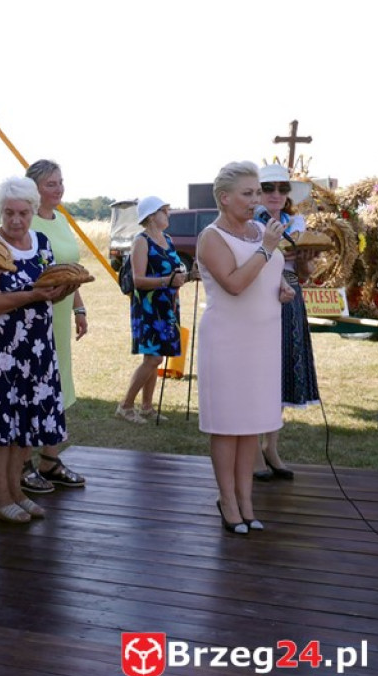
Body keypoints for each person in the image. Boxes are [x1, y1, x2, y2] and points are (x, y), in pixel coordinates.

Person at [0, 177, 78, 523]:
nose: (16, 220)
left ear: (34, 211)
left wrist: (64, 289)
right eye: (9, 212)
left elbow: (47, 291)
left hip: (36, 349)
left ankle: (16, 491)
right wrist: (33, 295)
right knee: (3, 427)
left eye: (24, 213)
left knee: (26, 425)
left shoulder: (41, 242)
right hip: (1, 353)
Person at [196, 161, 294, 534]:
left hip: (262, 340)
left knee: (250, 424)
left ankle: (248, 502)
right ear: (224, 198)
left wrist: (280, 290)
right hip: (227, 341)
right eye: (248, 193)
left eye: (258, 192)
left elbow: (263, 275)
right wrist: (267, 250)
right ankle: (229, 501)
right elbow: (234, 284)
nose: (257, 200)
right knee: (227, 425)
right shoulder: (212, 237)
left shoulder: (258, 231)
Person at [20, 159, 87, 491]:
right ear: (34, 188)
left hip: (61, 312)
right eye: (51, 184)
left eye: (60, 182)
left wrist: (80, 308)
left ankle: (50, 458)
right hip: (33, 313)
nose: (59, 188)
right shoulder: (25, 221)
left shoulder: (61, 219)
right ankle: (22, 463)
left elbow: (69, 268)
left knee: (58, 383)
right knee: (33, 383)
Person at [254, 164, 318, 481]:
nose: (276, 195)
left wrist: (306, 264)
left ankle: (271, 446)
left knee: (280, 371)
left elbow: (303, 273)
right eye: (269, 189)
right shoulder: (249, 222)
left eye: (282, 188)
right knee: (258, 373)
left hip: (290, 296)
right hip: (258, 296)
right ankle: (252, 449)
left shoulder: (296, 223)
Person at [116, 196, 190, 423]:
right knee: (154, 359)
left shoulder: (166, 239)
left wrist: (188, 276)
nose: (168, 214)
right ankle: (126, 406)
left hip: (167, 306)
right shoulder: (142, 241)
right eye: (165, 211)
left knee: (154, 358)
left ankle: (146, 407)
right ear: (151, 216)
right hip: (149, 307)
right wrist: (167, 281)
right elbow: (138, 280)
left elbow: (174, 273)